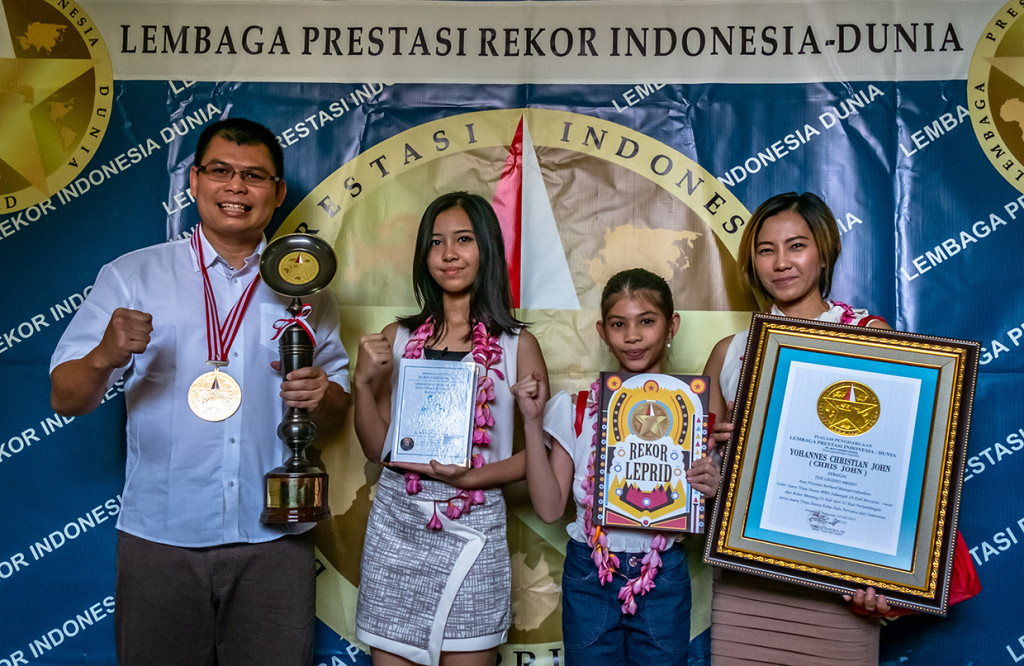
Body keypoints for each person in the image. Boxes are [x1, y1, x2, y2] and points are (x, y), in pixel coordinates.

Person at [49, 118, 351, 666]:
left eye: (254, 176)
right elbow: (65, 398)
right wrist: (104, 355)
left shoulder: (306, 288)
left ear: (278, 191)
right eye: (220, 171)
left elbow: (336, 408)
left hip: (274, 541)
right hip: (160, 539)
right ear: (194, 181)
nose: (236, 187)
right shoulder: (133, 276)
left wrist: (321, 393)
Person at [702, 191, 979, 665]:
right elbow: (704, 469)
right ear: (752, 262)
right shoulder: (730, 352)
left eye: (796, 245)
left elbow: (899, 470)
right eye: (766, 250)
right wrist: (712, 473)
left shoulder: (870, 335)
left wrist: (888, 577)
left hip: (838, 591)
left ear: (824, 252)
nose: (781, 262)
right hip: (747, 587)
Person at [352, 191, 547, 666]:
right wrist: (362, 384)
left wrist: (472, 477)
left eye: (463, 240)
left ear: (487, 249)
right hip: (397, 524)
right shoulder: (397, 338)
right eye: (436, 242)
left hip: (473, 522)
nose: (449, 254)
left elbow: (539, 456)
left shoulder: (517, 344)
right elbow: (379, 450)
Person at [517, 268, 721, 666]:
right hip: (589, 573)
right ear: (602, 331)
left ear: (671, 326)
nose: (632, 336)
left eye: (646, 321)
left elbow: (707, 515)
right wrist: (530, 421)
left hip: (664, 574)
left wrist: (711, 488)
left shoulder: (695, 418)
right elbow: (549, 509)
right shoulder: (578, 409)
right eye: (618, 324)